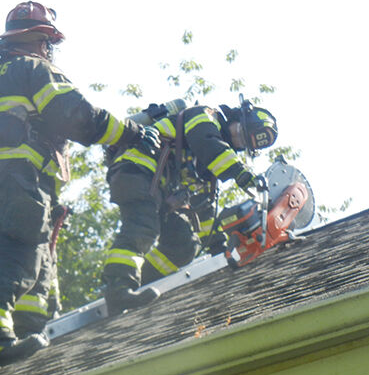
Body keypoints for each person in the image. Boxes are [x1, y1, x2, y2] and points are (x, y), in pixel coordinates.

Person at [0, 1, 160, 373]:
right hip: (19, 176)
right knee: (20, 249)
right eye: (49, 43)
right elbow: (75, 114)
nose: (50, 50)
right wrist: (129, 133)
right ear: (43, 39)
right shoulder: (32, 68)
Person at [101, 100, 278, 315]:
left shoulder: (205, 163)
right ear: (236, 118)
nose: (237, 141)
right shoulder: (203, 116)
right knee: (142, 227)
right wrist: (240, 173)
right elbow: (207, 143)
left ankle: (139, 282)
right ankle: (118, 288)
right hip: (136, 170)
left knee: (184, 244)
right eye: (241, 132)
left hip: (157, 189)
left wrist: (218, 249)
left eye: (243, 144)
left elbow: (203, 208)